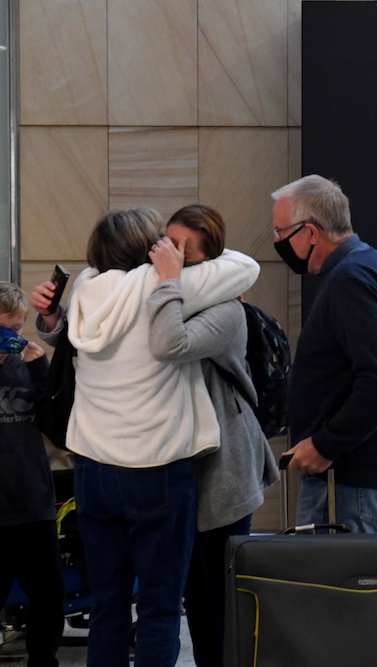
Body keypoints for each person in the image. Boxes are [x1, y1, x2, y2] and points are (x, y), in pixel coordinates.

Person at [31, 208, 259, 667]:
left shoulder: (87, 291)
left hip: (92, 473)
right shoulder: (162, 287)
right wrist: (173, 266)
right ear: (147, 251)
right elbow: (245, 266)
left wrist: (52, 315)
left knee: (108, 608)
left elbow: (77, 341)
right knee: (158, 610)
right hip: (158, 472)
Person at [145, 204, 278, 667]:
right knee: (195, 596)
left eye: (181, 250)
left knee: (215, 598)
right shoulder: (164, 294)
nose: (167, 255)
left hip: (222, 470)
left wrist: (167, 282)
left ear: (208, 263)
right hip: (181, 465)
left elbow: (170, 343)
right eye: (165, 242)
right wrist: (53, 322)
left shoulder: (225, 311)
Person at [272, 175, 377, 533]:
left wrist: (324, 445)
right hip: (359, 476)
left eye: (280, 232)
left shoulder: (351, 279)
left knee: (333, 588)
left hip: (351, 484)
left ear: (310, 232)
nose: (276, 242)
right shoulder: (368, 263)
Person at [0, 282, 63, 667]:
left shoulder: (27, 363)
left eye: (17, 330)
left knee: (50, 595)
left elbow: (57, 428)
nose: (12, 340)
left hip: (33, 502)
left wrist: (40, 367)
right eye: (4, 331)